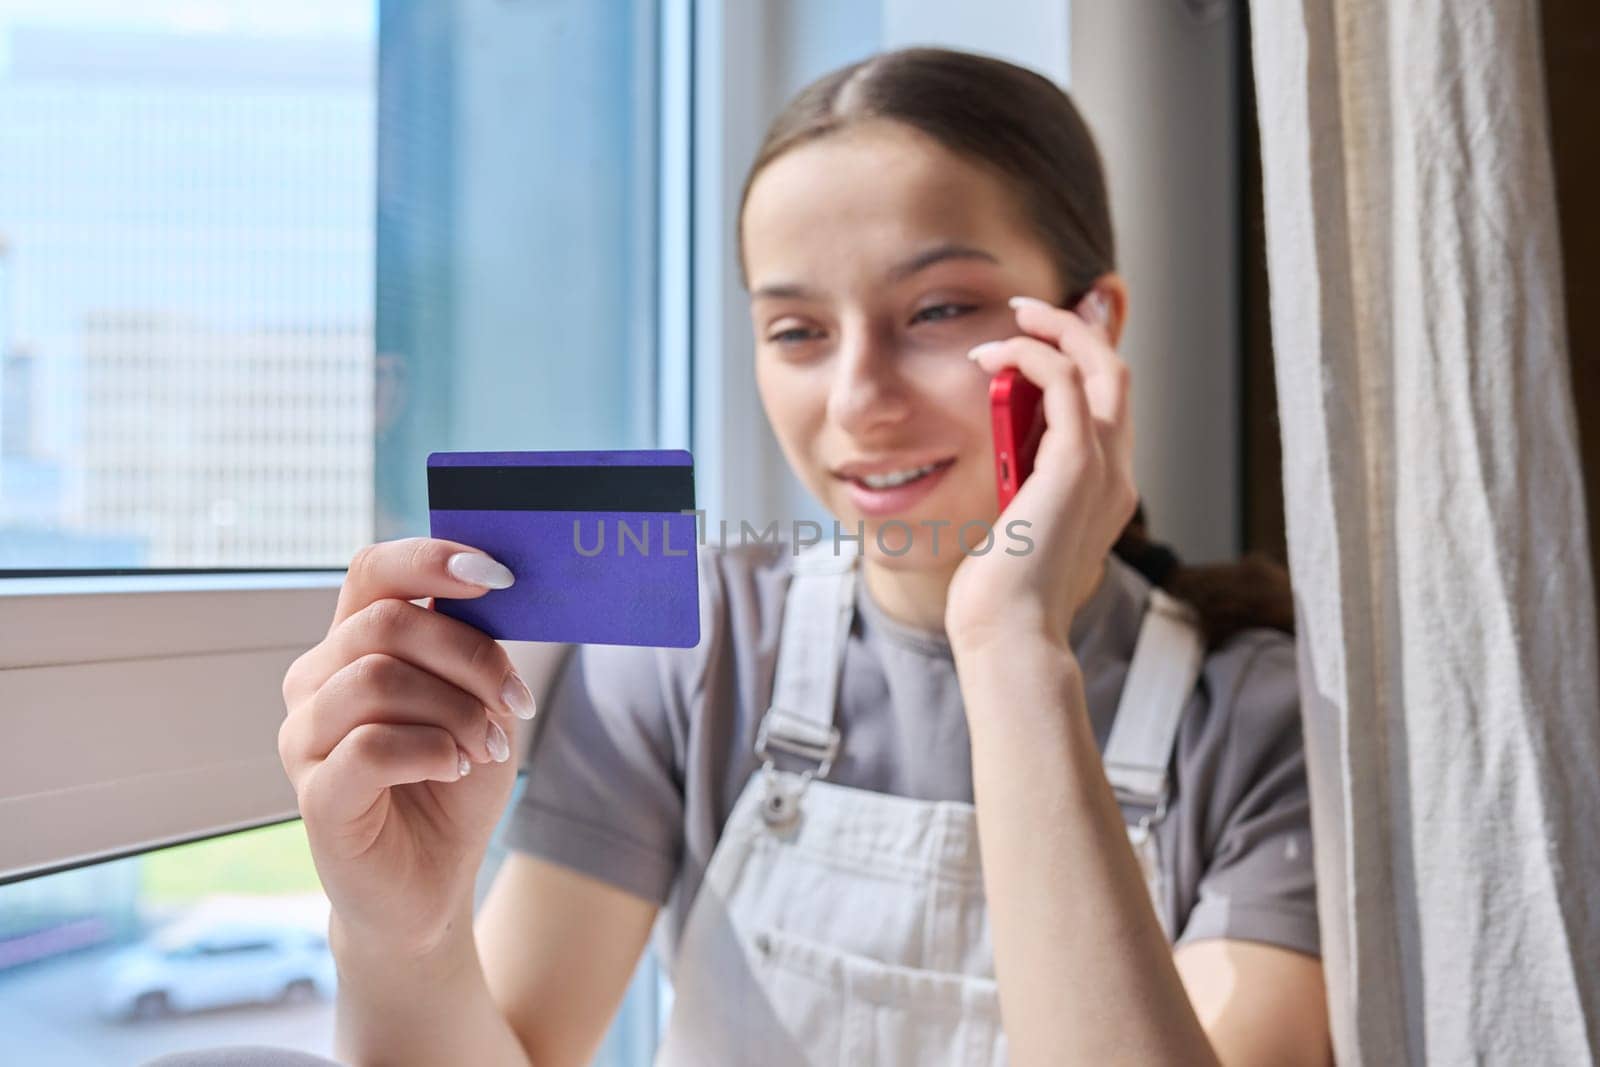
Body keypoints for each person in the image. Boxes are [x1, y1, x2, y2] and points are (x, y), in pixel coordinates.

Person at [278, 47, 1330, 1066]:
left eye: (936, 310)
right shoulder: (696, 647)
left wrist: (1011, 638)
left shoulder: (1264, 725)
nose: (856, 400)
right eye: (795, 330)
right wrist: (400, 933)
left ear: (1086, 329)